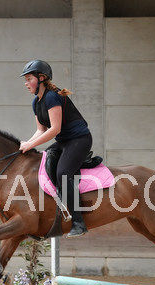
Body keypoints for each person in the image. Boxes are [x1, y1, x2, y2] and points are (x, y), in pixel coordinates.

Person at [19, 59, 92, 237]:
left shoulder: (52, 97)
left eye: (29, 79)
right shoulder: (36, 102)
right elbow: (41, 130)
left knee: (63, 173)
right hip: (64, 141)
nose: (26, 83)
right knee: (46, 162)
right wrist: (26, 144)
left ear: (41, 78)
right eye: (25, 80)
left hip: (79, 139)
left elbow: (55, 129)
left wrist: (31, 145)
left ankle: (78, 222)